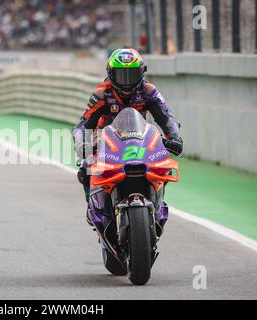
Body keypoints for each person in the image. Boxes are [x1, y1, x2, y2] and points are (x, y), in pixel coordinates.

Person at [72, 48, 183, 229]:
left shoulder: (149, 91)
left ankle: (156, 203)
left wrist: (174, 137)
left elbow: (167, 117)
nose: (126, 82)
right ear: (110, 73)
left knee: (164, 166)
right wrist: (82, 142)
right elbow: (83, 123)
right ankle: (94, 207)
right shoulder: (102, 93)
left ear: (141, 72)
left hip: (140, 137)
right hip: (107, 140)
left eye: (131, 75)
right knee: (87, 167)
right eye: (121, 75)